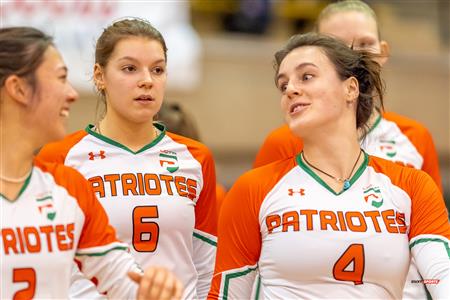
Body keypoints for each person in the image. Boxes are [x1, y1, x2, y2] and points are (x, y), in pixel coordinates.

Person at [208, 33, 450, 299]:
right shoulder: (254, 188)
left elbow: (440, 276)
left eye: (306, 76)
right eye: (283, 85)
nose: (290, 89)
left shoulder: (412, 186)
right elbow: (225, 295)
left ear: (351, 89)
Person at [37, 18, 218, 299]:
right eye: (130, 68)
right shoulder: (59, 156)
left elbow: (207, 265)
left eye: (157, 69)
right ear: (99, 75)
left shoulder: (196, 158)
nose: (147, 80)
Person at [0, 26, 182, 299]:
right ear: (19, 89)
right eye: (61, 78)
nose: (72, 93)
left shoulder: (69, 187)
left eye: (158, 70)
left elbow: (122, 279)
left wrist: (154, 290)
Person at [253, 0, 443, 194]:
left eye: (365, 44)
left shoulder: (414, 137)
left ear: (383, 52)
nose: (353, 55)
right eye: (336, 45)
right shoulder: (281, 142)